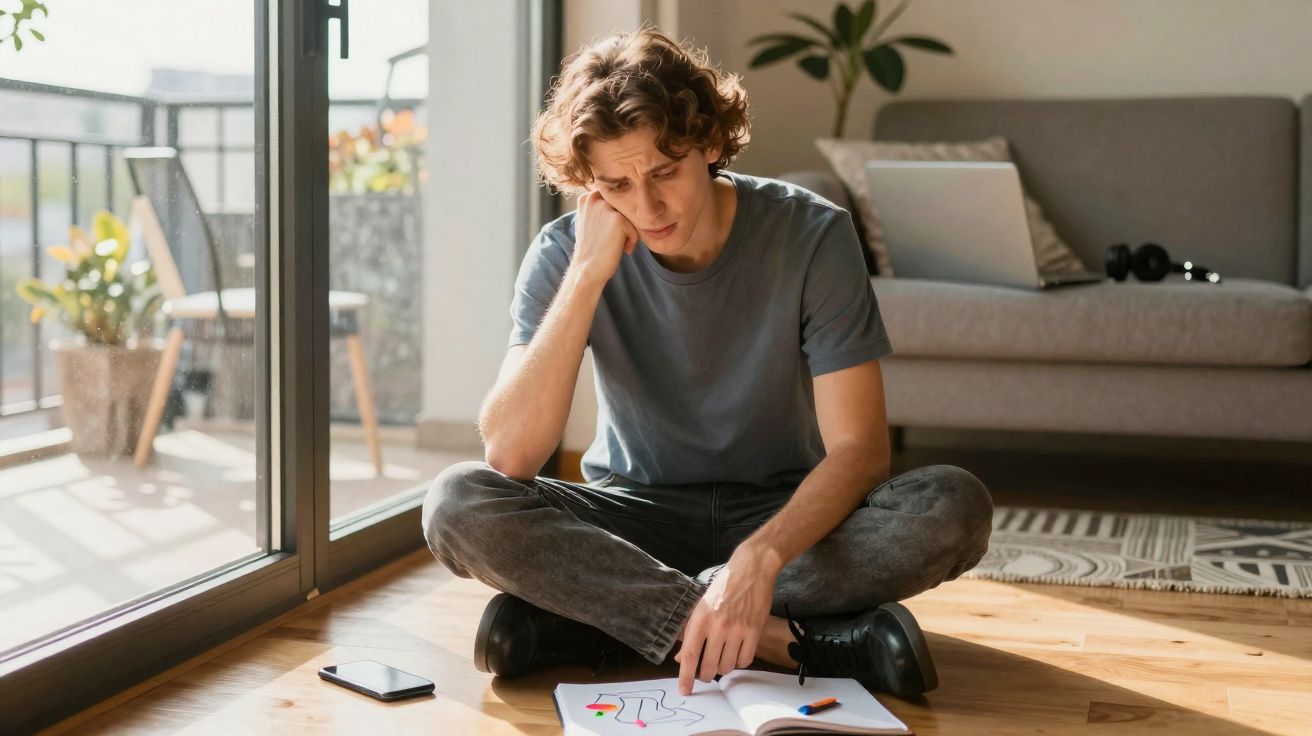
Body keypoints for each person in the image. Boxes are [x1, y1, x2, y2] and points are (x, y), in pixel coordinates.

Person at [422, 25, 993, 698]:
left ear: (712, 144)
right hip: (631, 519)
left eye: (664, 172)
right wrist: (585, 277)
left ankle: (602, 625)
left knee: (954, 504)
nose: (647, 207)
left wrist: (759, 559)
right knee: (456, 501)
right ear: (590, 185)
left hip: (785, 519)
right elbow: (511, 456)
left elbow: (860, 453)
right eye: (617, 184)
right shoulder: (565, 253)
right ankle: (783, 641)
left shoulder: (813, 234)